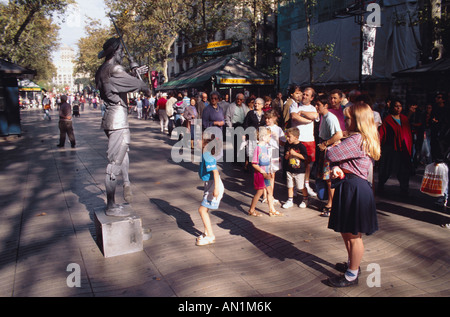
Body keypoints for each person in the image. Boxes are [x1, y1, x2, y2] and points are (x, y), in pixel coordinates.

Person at [325, 102, 381, 287]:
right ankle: (352, 264)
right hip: (350, 185)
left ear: (358, 120)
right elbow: (341, 160)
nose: (345, 121)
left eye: (348, 118)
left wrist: (333, 147)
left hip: (354, 188)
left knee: (354, 235)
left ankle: (352, 274)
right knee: (347, 230)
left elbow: (331, 154)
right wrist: (339, 168)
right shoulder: (359, 138)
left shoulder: (356, 139)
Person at [95, 37, 150, 217]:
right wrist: (141, 81)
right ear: (116, 51)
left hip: (111, 117)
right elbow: (141, 87)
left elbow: (118, 85)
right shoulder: (115, 69)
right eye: (121, 52)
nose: (123, 56)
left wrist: (133, 74)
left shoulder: (102, 70)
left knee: (120, 156)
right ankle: (111, 206)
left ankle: (124, 186)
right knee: (114, 164)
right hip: (118, 119)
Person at [377, 99, 413, 195]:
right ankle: (380, 186)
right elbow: (382, 134)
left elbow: (408, 134)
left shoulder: (404, 119)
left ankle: (404, 189)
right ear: (392, 107)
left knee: (404, 169)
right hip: (390, 148)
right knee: (386, 168)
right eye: (396, 106)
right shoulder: (387, 119)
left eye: (400, 106)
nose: (398, 108)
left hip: (403, 148)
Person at [316, 94, 343, 216]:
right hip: (325, 149)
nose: (316, 107)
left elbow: (338, 135)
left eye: (318, 105)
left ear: (325, 105)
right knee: (327, 179)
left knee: (330, 179)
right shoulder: (324, 117)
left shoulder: (330, 118)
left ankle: (331, 205)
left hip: (330, 151)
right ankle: (330, 202)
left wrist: (326, 144)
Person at [289, 87, 319, 197]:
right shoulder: (294, 105)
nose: (304, 96)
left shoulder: (313, 108)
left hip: (309, 139)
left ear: (312, 98)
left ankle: (306, 184)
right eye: (304, 94)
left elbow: (315, 116)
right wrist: (308, 119)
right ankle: (295, 187)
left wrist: (302, 113)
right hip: (297, 139)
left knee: (307, 164)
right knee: (294, 163)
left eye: (307, 95)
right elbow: (294, 117)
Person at [248, 127, 283, 217]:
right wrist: (263, 172)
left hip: (266, 173)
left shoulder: (266, 147)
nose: (270, 137)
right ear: (263, 137)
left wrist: (269, 170)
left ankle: (272, 209)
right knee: (259, 192)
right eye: (269, 136)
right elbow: (254, 163)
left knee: (269, 191)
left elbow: (268, 160)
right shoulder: (258, 148)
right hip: (260, 174)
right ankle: (252, 209)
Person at [197, 133, 224, 246]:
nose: (197, 140)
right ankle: (207, 232)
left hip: (214, 185)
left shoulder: (207, 155)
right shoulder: (205, 154)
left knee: (202, 210)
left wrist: (216, 189)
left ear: (206, 144)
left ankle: (210, 236)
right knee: (205, 210)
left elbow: (216, 172)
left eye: (200, 139)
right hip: (210, 184)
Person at [282, 127, 309, 209]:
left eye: (289, 136)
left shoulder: (301, 146)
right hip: (290, 169)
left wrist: (295, 154)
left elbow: (305, 157)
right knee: (290, 186)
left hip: (299, 170)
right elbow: (285, 158)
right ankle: (290, 200)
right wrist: (287, 155)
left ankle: (305, 198)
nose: (287, 138)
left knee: (301, 186)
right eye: (287, 136)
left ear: (296, 137)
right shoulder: (287, 145)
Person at [264, 109, 285, 204]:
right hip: (265, 152)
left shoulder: (278, 129)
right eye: (266, 118)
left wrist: (276, 138)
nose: (267, 120)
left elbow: (283, 142)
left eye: (269, 118)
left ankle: (271, 195)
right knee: (266, 174)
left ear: (274, 118)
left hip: (275, 152)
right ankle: (265, 196)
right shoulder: (263, 128)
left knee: (273, 175)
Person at [243, 97, 266, 171]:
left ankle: (259, 168)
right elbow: (246, 124)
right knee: (251, 153)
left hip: (261, 137)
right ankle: (249, 168)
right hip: (251, 136)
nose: (256, 105)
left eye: (258, 103)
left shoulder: (265, 114)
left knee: (259, 152)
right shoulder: (250, 113)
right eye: (255, 103)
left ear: (262, 105)